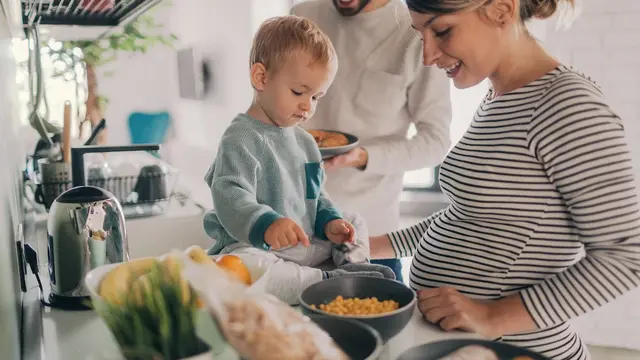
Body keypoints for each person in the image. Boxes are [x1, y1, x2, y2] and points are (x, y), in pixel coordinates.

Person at [369, 0, 640, 359]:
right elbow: (473, 217)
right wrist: (374, 245)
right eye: (421, 35)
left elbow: (625, 255)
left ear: (500, 9)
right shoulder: (498, 97)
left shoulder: (567, 104)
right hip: (462, 344)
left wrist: (493, 316)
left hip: (519, 349)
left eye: (442, 30)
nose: (428, 56)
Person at [202, 15, 394, 304]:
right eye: (298, 92)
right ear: (261, 77)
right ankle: (328, 282)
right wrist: (266, 224)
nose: (308, 106)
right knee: (246, 268)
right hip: (258, 247)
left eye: (317, 97)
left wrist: (330, 223)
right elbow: (229, 195)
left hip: (303, 242)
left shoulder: (304, 141)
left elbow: (317, 196)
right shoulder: (240, 137)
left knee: (354, 220)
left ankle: (351, 266)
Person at [291, 0, 454, 283]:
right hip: (297, 232)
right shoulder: (303, 16)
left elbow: (436, 141)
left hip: (371, 237)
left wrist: (364, 156)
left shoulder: (416, 30)